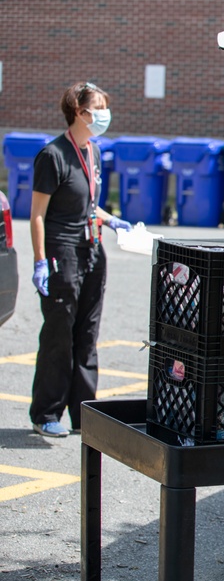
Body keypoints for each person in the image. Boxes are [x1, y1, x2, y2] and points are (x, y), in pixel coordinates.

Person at [28, 81, 131, 437]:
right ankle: (46, 414)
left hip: (91, 250)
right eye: (97, 108)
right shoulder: (53, 155)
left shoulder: (93, 151)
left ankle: (84, 414)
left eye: (105, 107)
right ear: (78, 111)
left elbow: (88, 204)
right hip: (62, 251)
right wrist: (40, 260)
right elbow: (38, 214)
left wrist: (111, 219)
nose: (103, 114)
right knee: (60, 333)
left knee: (87, 333)